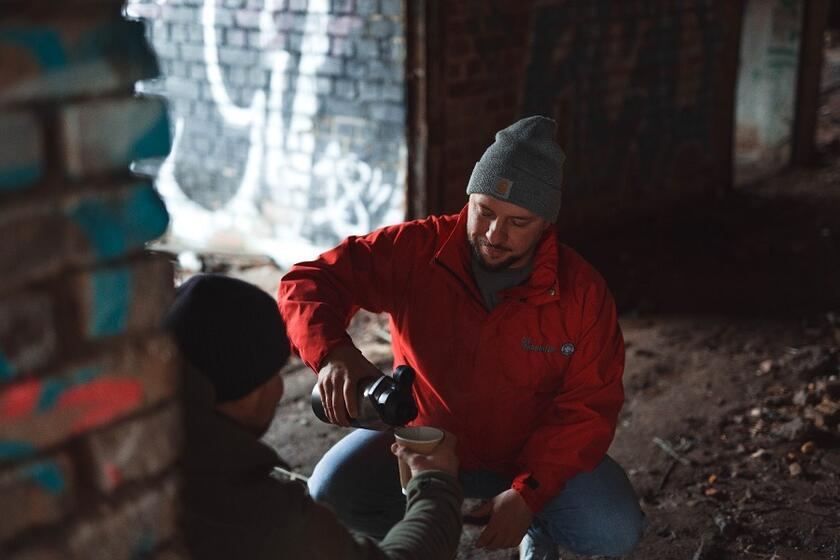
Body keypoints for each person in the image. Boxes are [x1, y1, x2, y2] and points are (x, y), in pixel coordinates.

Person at [279, 116, 645, 559]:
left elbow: (587, 410)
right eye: (485, 210)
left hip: (527, 457)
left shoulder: (581, 293)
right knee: (328, 493)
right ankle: (409, 539)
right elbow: (307, 282)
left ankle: (539, 531)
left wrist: (530, 494)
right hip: (422, 443)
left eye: (518, 222)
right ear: (469, 197)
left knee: (613, 529)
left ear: (546, 223)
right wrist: (333, 352)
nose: (494, 234)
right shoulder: (417, 250)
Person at [164, 273, 464, 560]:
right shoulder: (263, 517)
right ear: (250, 390)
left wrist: (334, 353)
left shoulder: (141, 442)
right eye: (277, 371)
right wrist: (434, 483)